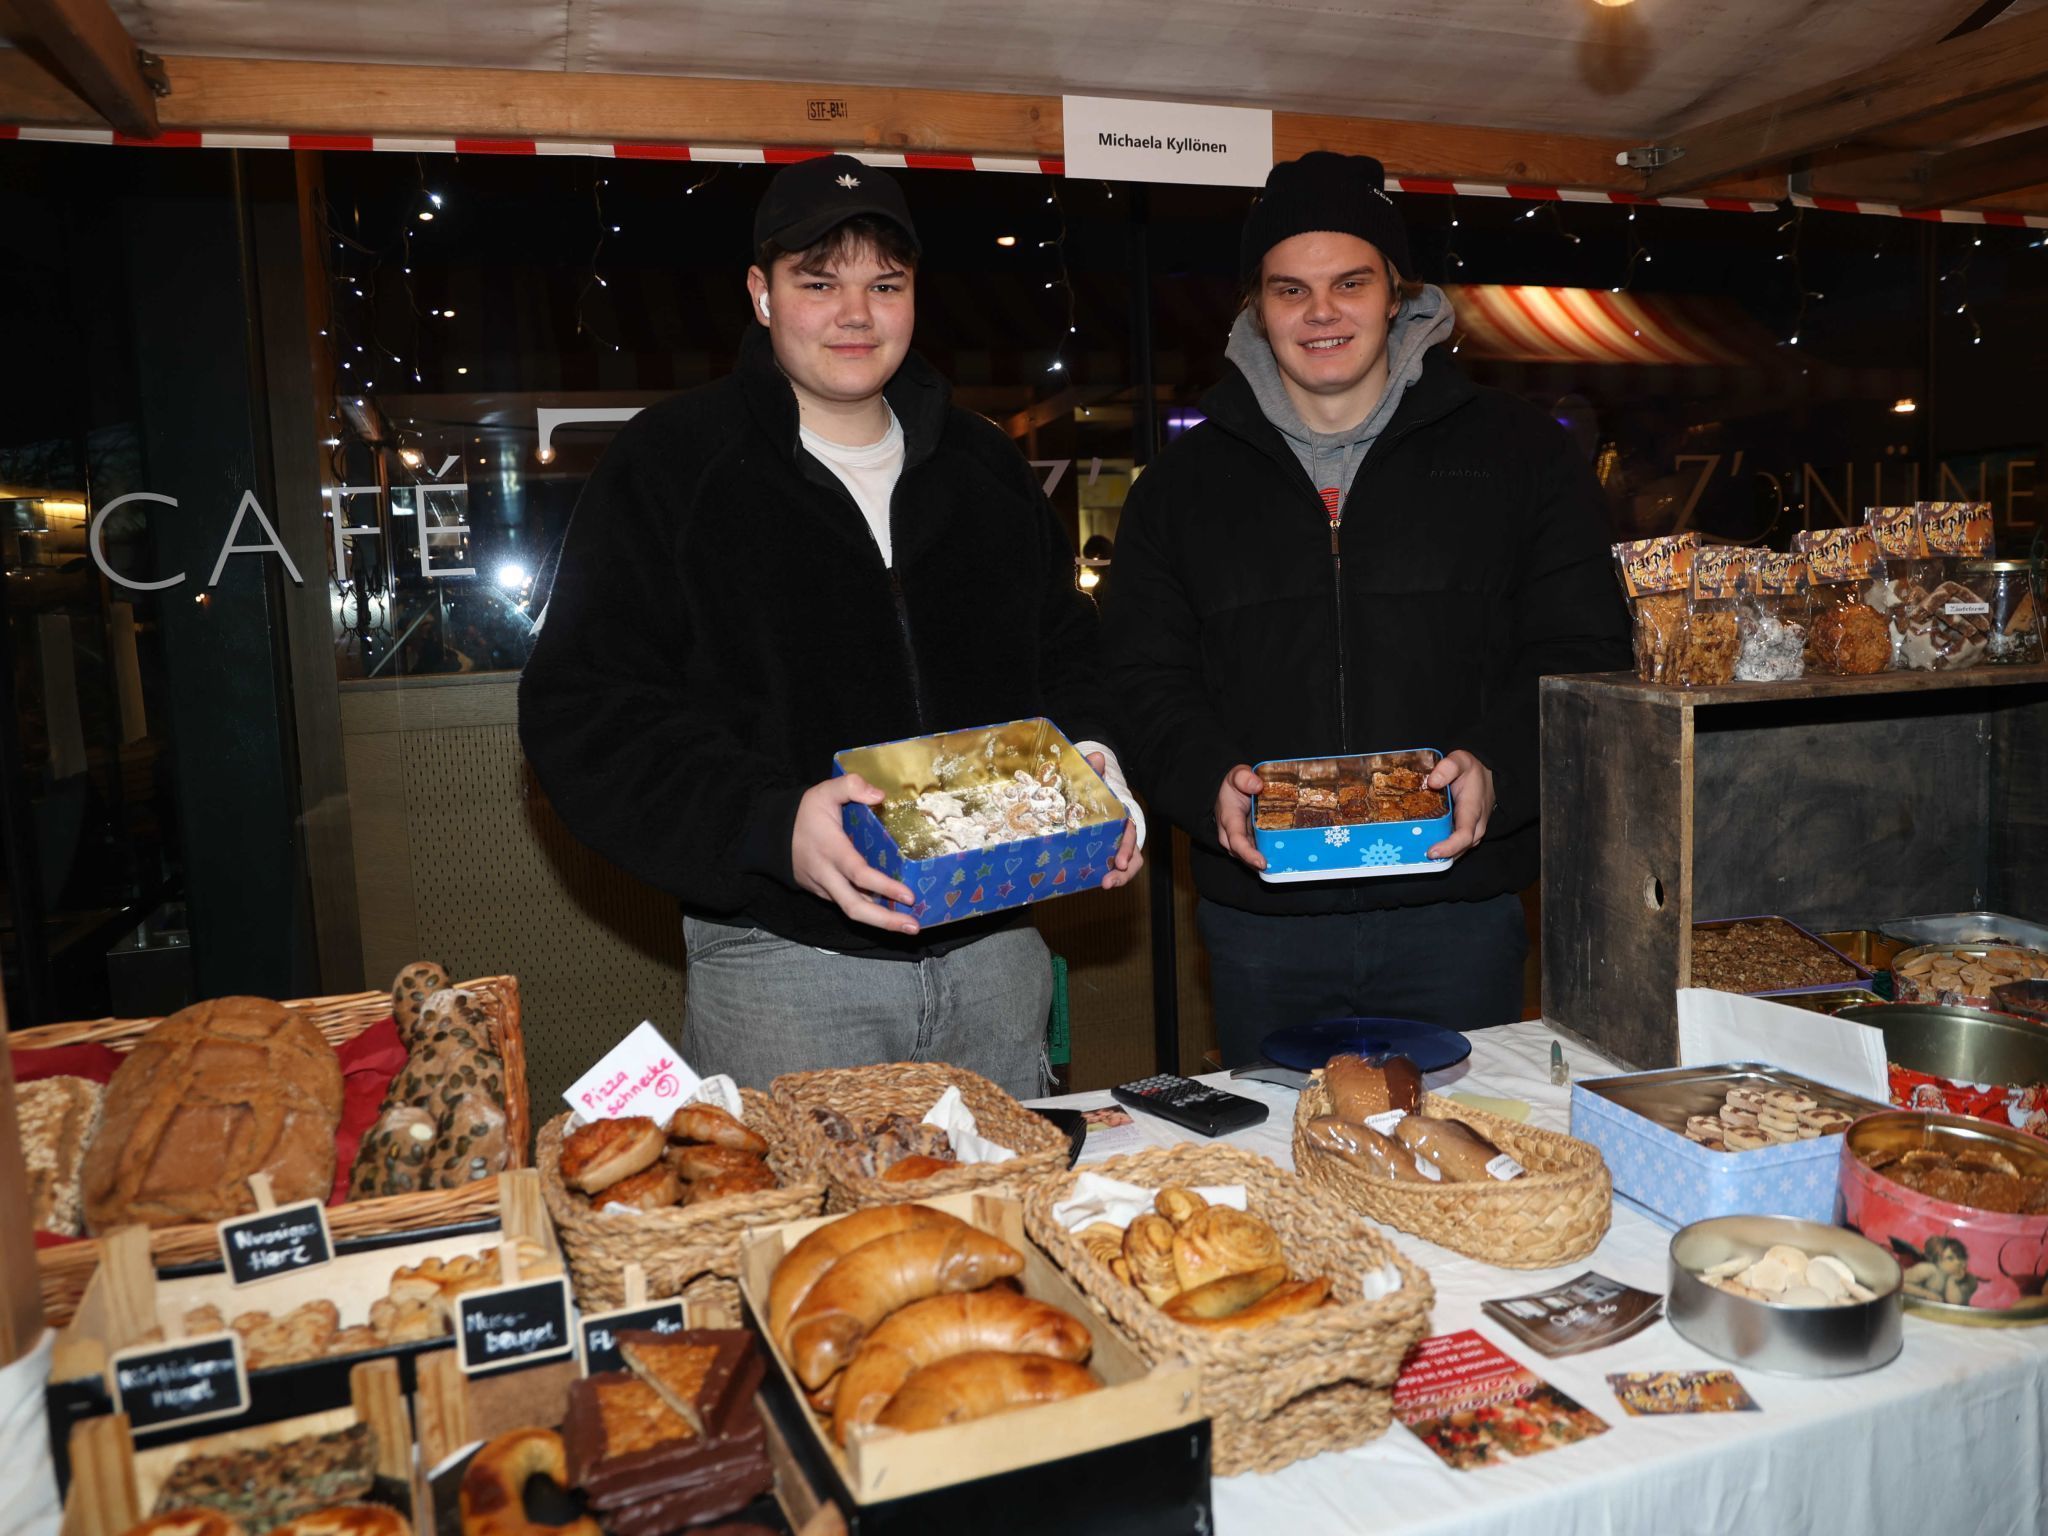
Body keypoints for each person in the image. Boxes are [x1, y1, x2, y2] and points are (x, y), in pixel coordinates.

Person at [519, 155, 1141, 1098]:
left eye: (884, 285)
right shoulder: (671, 465)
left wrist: (1094, 755)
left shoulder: (983, 465)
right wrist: (772, 824)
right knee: (798, 1241)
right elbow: (586, 711)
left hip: (998, 955)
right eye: (820, 283)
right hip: (786, 968)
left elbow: (1066, 649)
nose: (856, 313)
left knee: (1010, 1234)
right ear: (762, 295)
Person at [1101, 152, 1629, 1068]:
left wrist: (1502, 769)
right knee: (1285, 1176)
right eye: (1289, 289)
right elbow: (1143, 676)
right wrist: (1202, 778)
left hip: (1458, 910)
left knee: (1460, 1170)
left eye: (1350, 282)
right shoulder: (1179, 488)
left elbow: (1582, 651)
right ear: (1256, 308)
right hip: (1261, 919)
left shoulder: (1519, 459)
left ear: (1397, 293)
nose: (1320, 313)